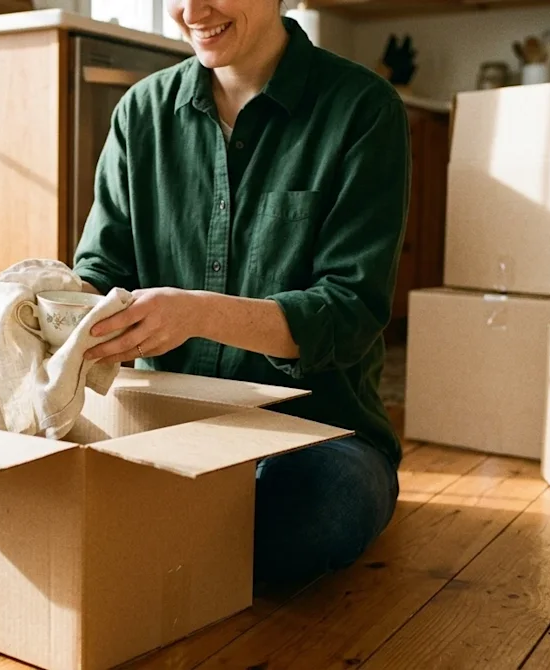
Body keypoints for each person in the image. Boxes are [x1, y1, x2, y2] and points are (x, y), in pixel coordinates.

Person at [73, 0, 409, 589]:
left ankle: (173, 529)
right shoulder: (141, 113)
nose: (192, 10)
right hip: (168, 425)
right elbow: (102, 268)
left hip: (316, 432)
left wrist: (198, 313)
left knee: (312, 509)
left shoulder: (361, 108)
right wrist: (47, 308)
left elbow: (350, 310)